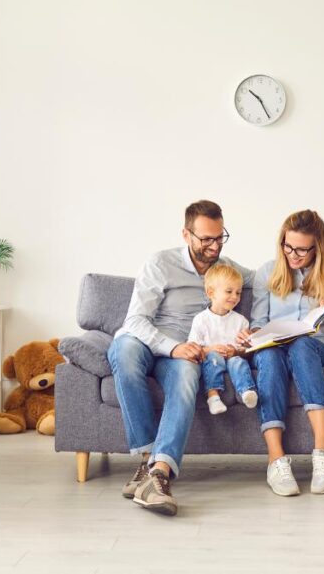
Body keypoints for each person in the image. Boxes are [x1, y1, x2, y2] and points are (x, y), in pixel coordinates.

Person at [107, 200, 251, 516]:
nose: (214, 246)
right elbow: (134, 321)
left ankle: (158, 474)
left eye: (220, 237)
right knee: (125, 351)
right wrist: (171, 346)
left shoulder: (225, 268)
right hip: (149, 342)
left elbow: (271, 279)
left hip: (186, 353)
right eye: (206, 239)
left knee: (189, 375)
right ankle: (147, 460)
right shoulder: (160, 263)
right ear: (186, 234)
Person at [240, 209, 324, 496]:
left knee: (301, 344)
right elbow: (259, 323)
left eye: (302, 250)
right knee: (269, 356)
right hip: (276, 346)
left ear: (318, 248)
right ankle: (276, 459)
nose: (293, 254)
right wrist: (253, 335)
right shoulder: (267, 272)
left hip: (317, 348)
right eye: (288, 247)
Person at [187, 264, 258, 415]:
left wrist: (238, 350)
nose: (235, 297)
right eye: (229, 291)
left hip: (232, 358)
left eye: (238, 293)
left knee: (238, 361)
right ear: (211, 292)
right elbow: (192, 347)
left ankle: (246, 392)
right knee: (213, 358)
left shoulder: (241, 321)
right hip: (212, 358)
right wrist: (210, 349)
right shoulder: (201, 319)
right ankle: (213, 397)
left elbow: (246, 350)